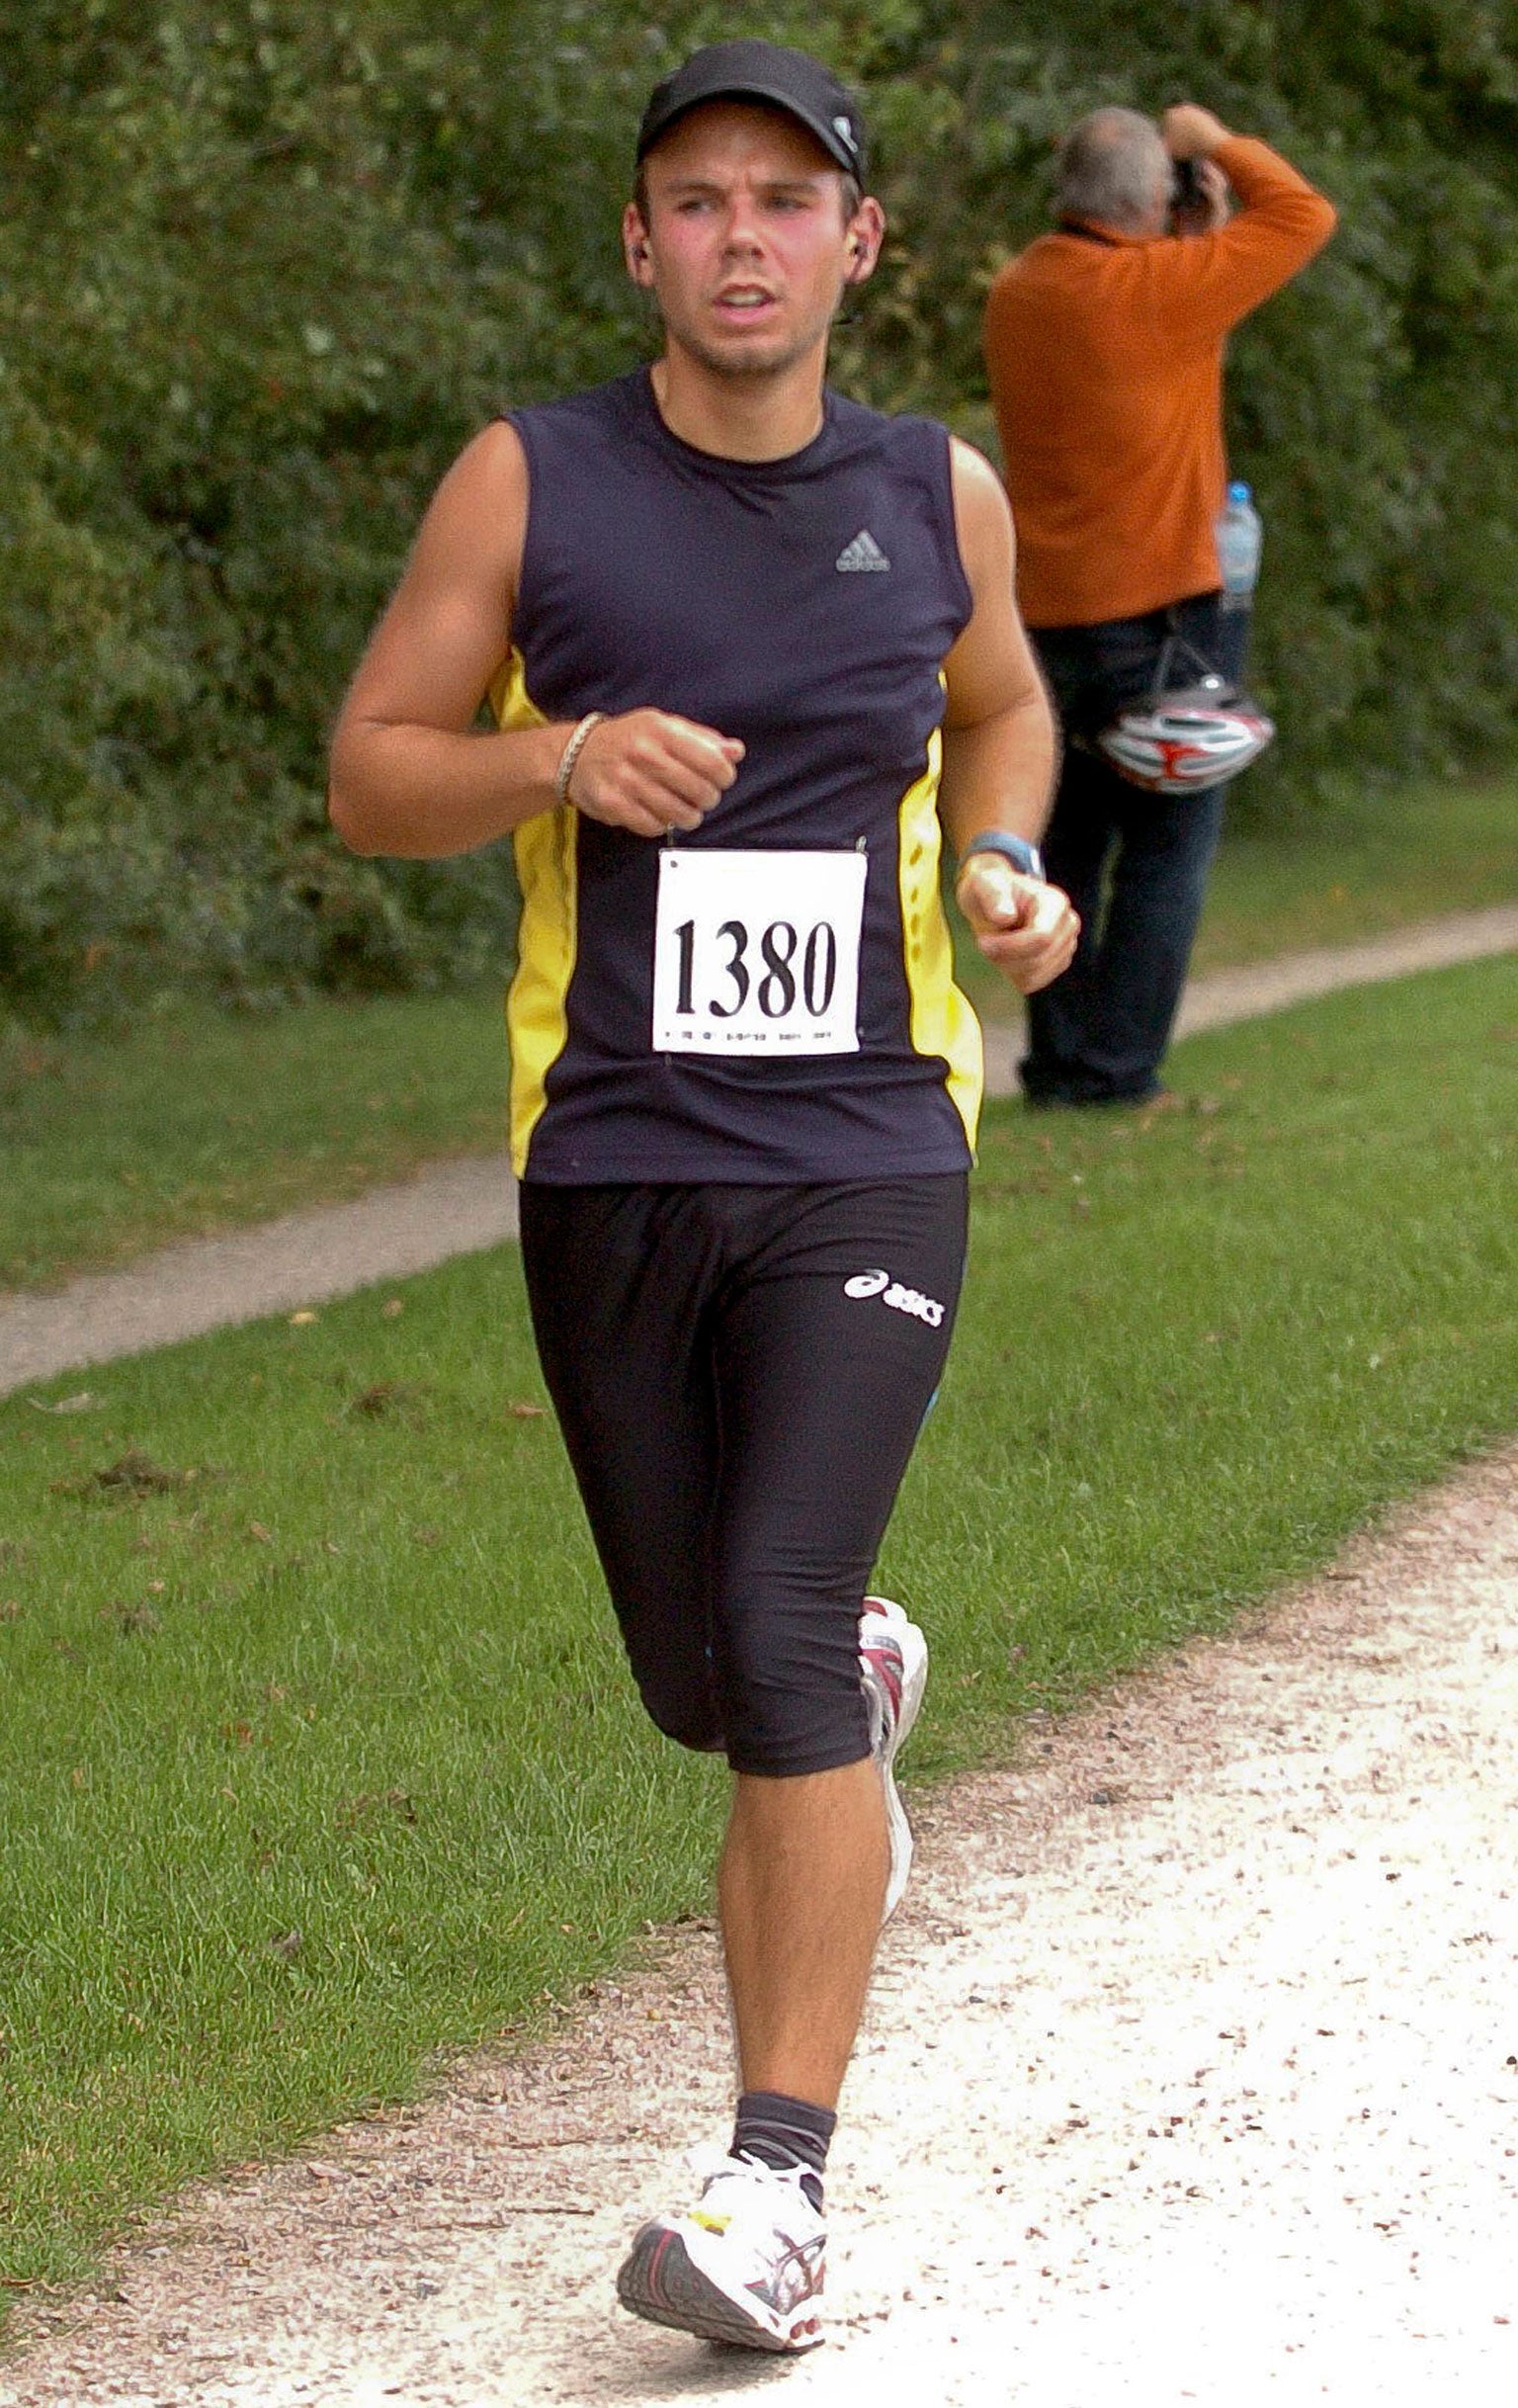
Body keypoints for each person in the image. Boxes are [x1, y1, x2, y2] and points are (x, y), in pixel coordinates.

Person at [328, 38, 1076, 2355]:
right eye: (696, 199)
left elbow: (1005, 704)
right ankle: (841, 1681)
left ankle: (775, 2193)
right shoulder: (528, 484)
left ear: (859, 246)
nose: (740, 235)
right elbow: (373, 776)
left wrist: (1003, 860)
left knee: (762, 1621)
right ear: (639, 244)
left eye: (786, 198)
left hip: (866, 1140)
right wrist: (554, 755)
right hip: (619, 1148)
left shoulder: (933, 490)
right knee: (708, 1680)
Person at [983, 103, 1336, 1106]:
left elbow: (1143, 348)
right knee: (1167, 850)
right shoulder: (1161, 289)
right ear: (1149, 197)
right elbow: (1303, 213)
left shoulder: (1020, 292)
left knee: (1069, 849)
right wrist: (1209, 136)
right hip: (1167, 617)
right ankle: (1118, 1070)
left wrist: (1183, 234)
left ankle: (1059, 1063)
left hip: (1049, 616)